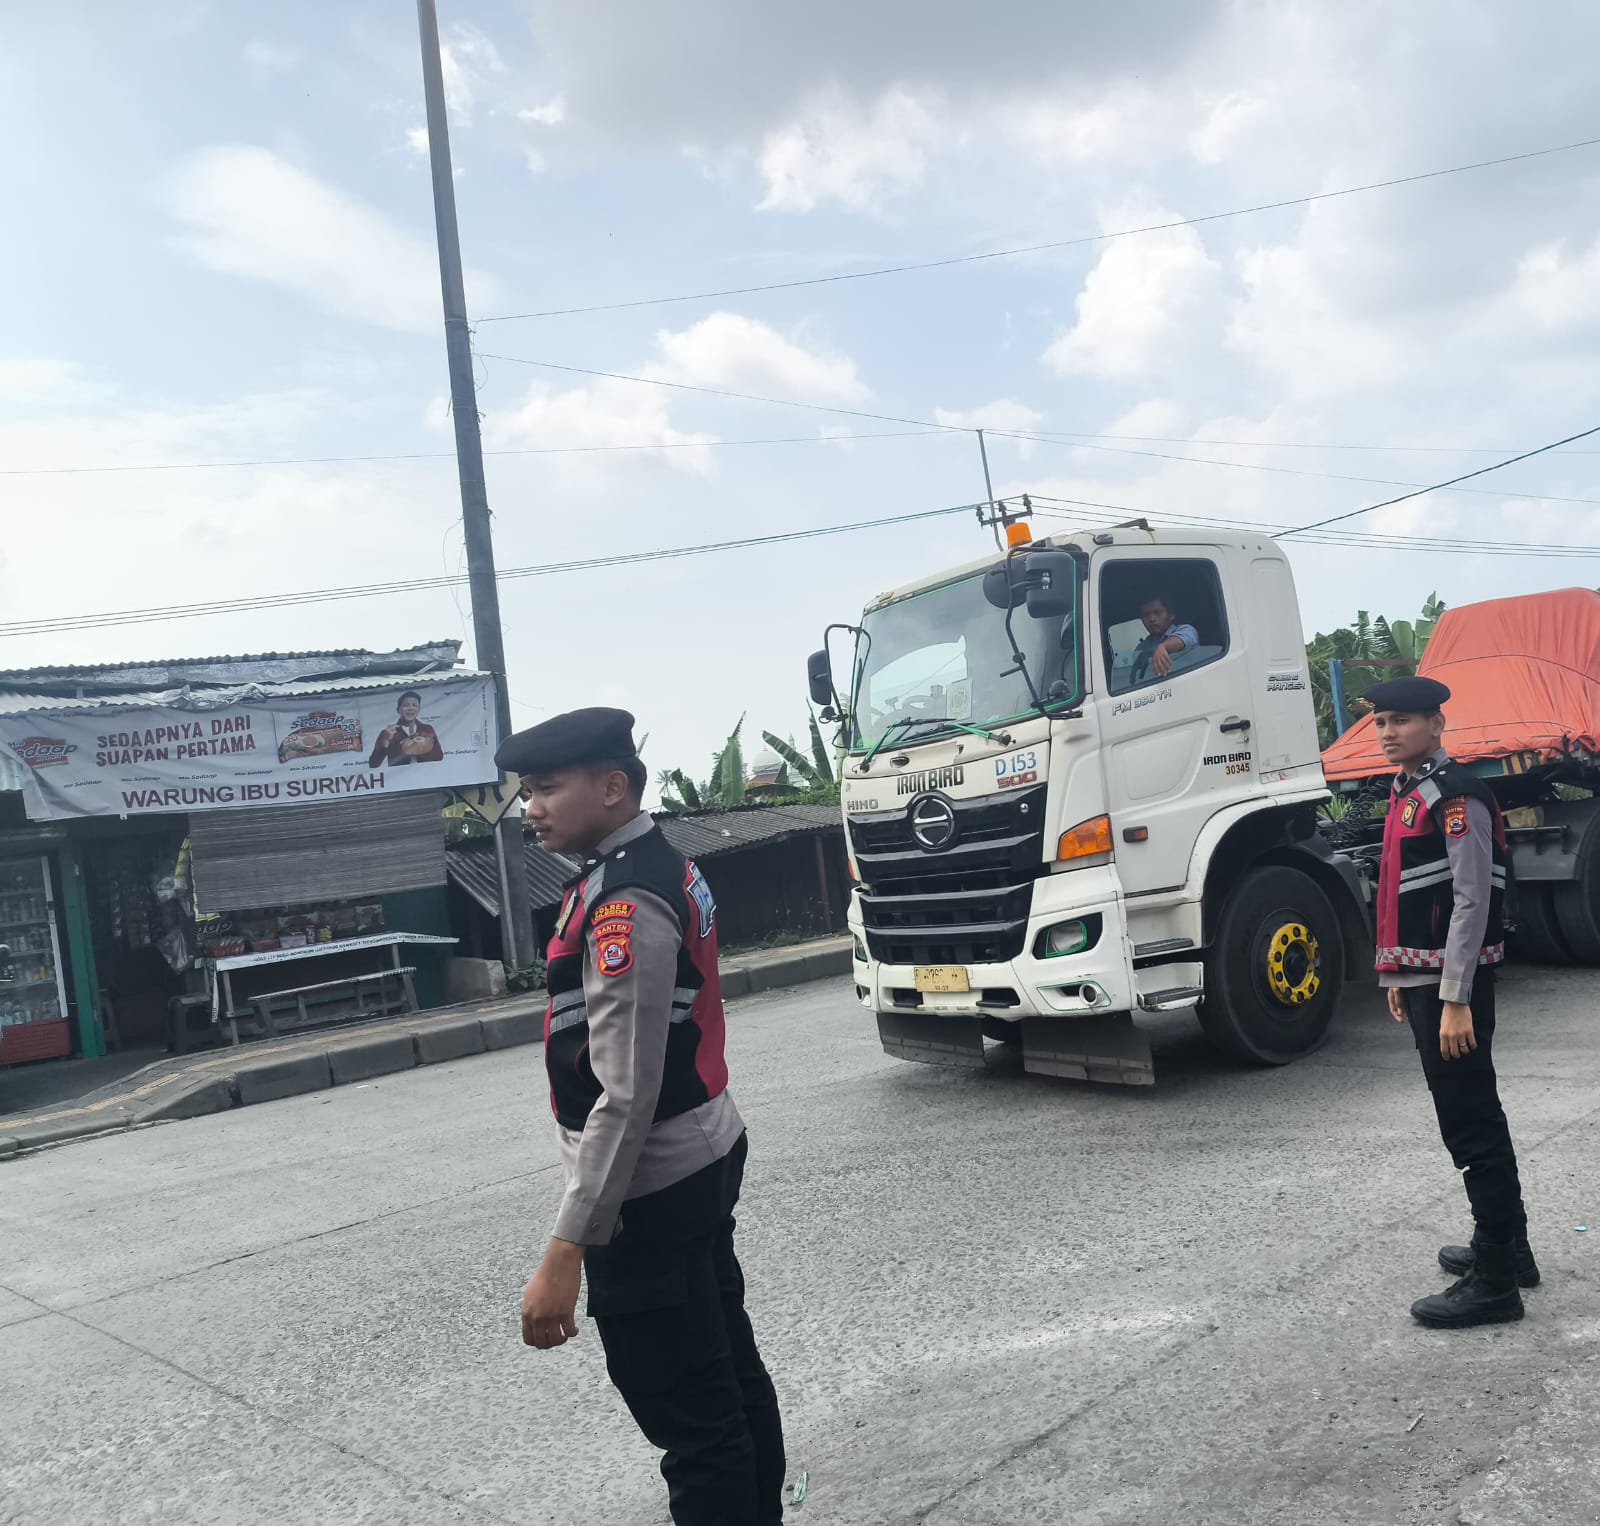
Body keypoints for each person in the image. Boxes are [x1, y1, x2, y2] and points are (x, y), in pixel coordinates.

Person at [500, 706, 786, 1526]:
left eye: (547, 788)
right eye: (528, 791)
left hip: (651, 1188)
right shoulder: (648, 867)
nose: (532, 808)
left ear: (613, 788)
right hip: (697, 1153)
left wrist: (566, 1250)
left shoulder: (627, 902)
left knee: (691, 1418)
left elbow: (626, 1092)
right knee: (725, 1377)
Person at [1368, 675, 1535, 1328]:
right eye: (1381, 721)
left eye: (1401, 720)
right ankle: (1511, 1249)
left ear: (1436, 725)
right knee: (1473, 1113)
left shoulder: (1455, 795)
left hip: (1452, 987)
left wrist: (1455, 998)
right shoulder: (1408, 791)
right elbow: (1404, 891)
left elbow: (1472, 899)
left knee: (1469, 1122)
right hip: (1425, 981)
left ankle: (1496, 1281)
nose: (1388, 732)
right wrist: (1397, 976)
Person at [368, 690, 443, 767]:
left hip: (425, 772)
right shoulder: (388, 733)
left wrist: (423, 748)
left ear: (419, 709)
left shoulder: (427, 729)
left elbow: (439, 757)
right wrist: (384, 743)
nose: (410, 708)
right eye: (406, 705)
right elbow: (373, 764)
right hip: (399, 774)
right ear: (398, 710)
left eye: (414, 705)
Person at [1133, 595, 1199, 680]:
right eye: (1146, 615)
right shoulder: (1141, 648)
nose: (1151, 619)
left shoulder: (1186, 630)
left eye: (1157, 613)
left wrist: (1163, 647)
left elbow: (1183, 639)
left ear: (1171, 615)